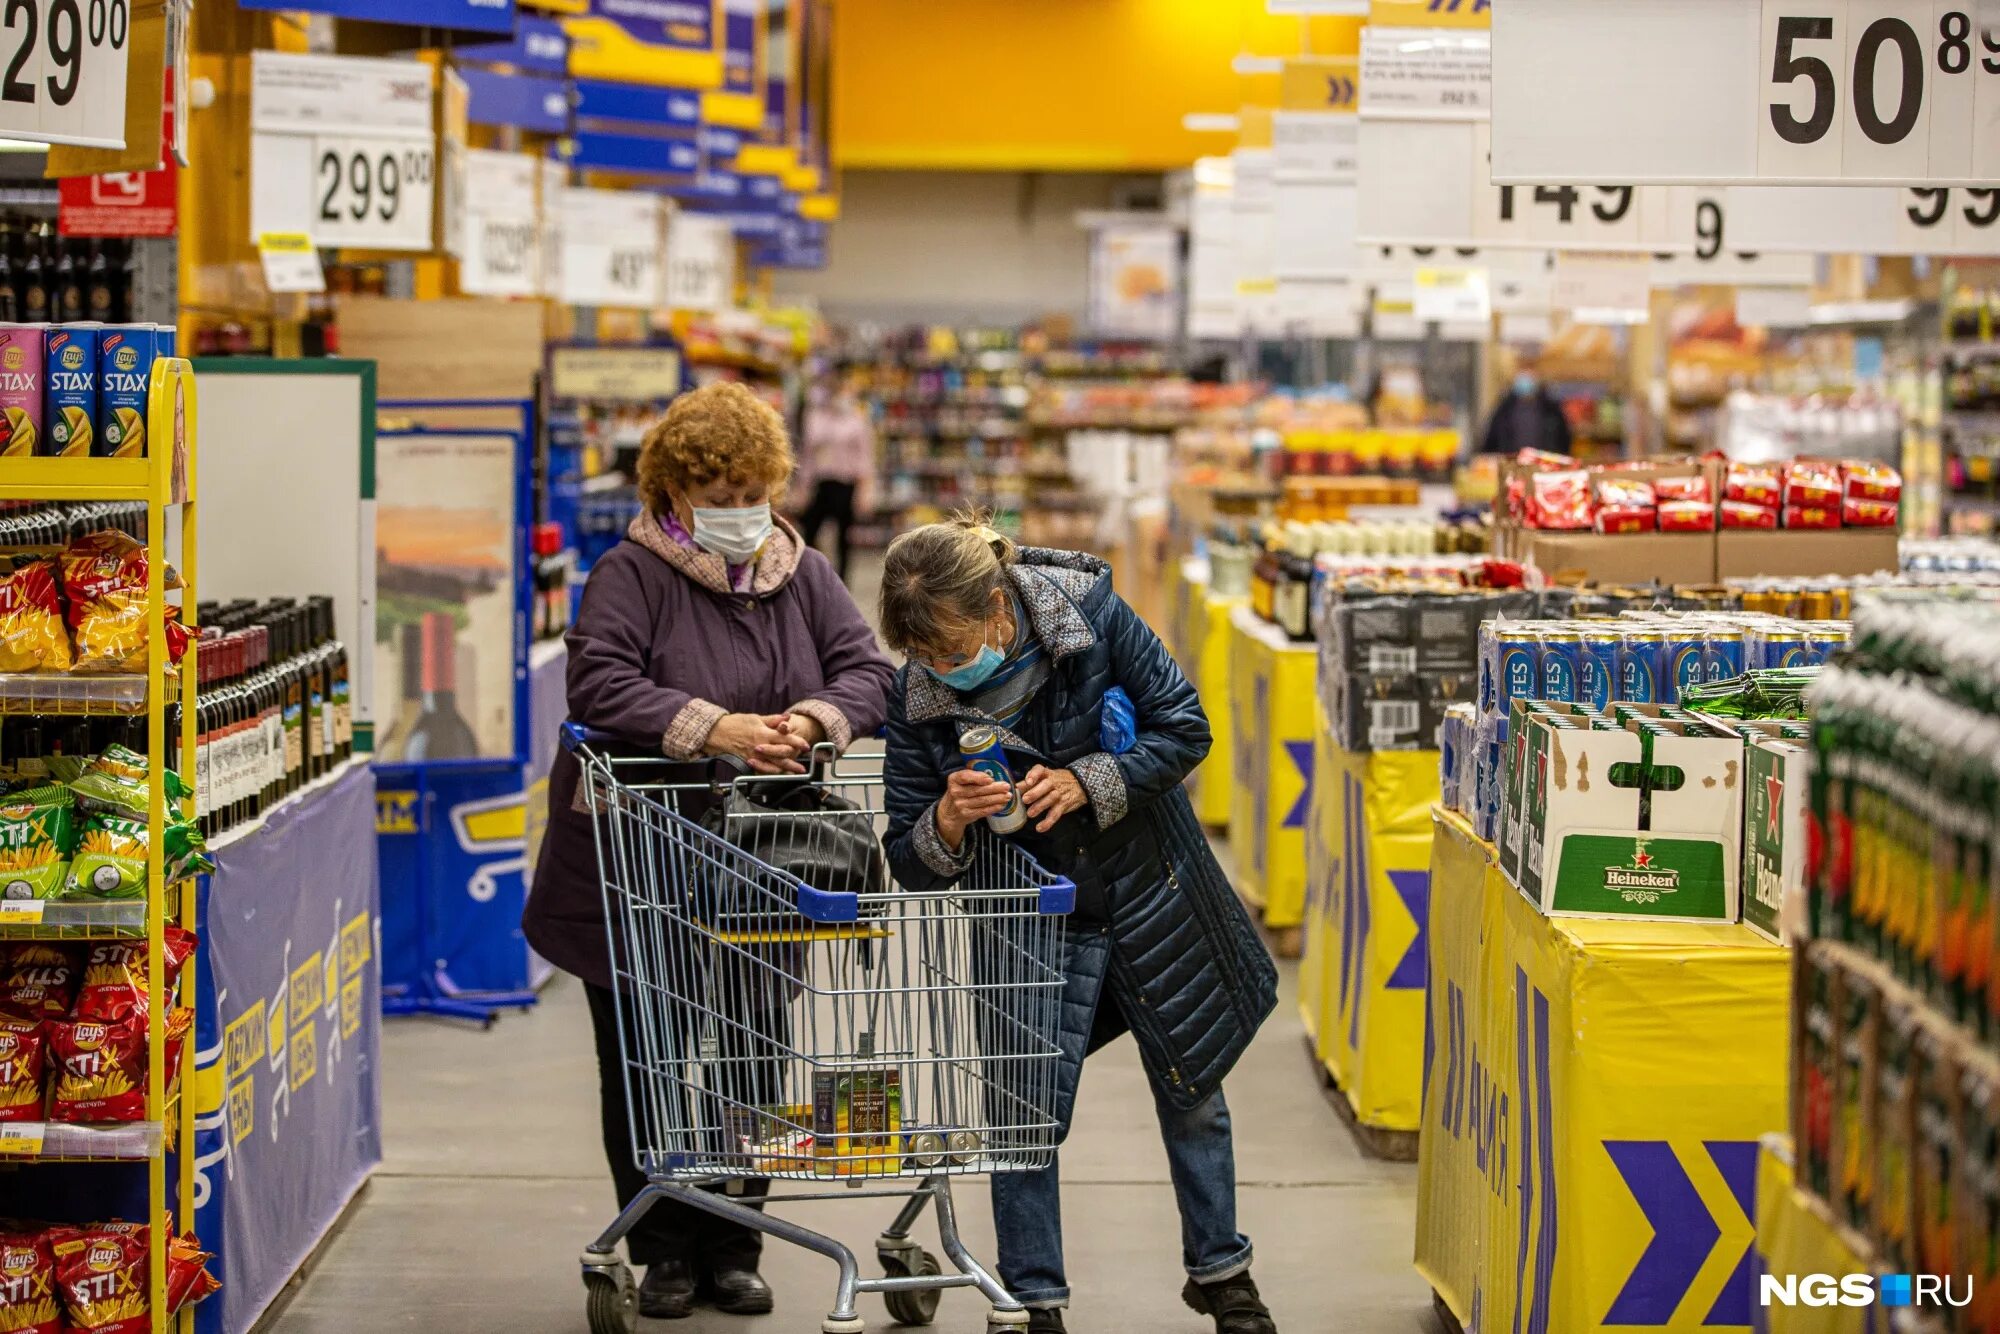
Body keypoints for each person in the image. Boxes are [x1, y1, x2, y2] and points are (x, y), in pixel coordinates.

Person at [524, 381, 894, 1321]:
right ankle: (662, 1249)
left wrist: (813, 718)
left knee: (751, 1052)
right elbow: (598, 683)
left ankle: (735, 1242)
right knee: (645, 1062)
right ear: (674, 494)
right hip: (638, 860)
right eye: (719, 494)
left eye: (754, 491)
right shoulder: (630, 574)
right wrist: (716, 727)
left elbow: (868, 672)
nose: (741, 511)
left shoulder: (803, 574)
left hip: (763, 862)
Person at [876, 515, 1281, 1334]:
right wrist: (948, 818)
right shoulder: (916, 692)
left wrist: (1090, 781)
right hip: (1025, 918)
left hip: (1148, 889)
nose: (942, 672)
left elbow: (1184, 726)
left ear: (998, 607)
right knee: (1022, 1113)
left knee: (1192, 1085)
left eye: (953, 651)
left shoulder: (1090, 616)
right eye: (924, 657)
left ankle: (1223, 1272)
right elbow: (907, 857)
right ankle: (1035, 1300)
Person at [794, 373, 876, 580]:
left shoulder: (857, 421)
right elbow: (808, 456)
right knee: (810, 530)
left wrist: (865, 492)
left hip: (845, 484)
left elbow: (864, 458)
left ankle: (842, 581)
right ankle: (812, 576)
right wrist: (802, 488)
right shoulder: (815, 419)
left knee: (843, 538)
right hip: (820, 483)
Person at [1479, 367, 1573, 456]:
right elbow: (1491, 441)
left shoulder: (1551, 409)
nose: (1526, 380)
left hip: (1543, 463)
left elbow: (1563, 439)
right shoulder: (1504, 409)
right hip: (1511, 462)